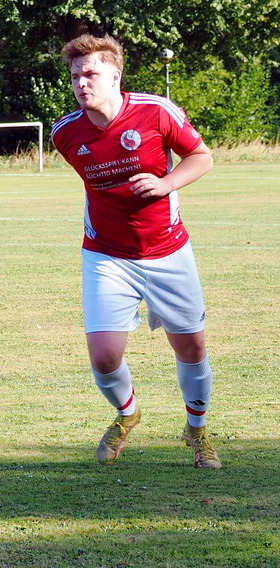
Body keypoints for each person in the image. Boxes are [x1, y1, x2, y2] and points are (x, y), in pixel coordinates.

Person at [51, 34, 221, 469]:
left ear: (115, 75)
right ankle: (127, 415)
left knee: (192, 349)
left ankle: (197, 430)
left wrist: (166, 184)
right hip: (106, 255)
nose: (81, 83)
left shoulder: (156, 111)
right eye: (75, 76)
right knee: (104, 356)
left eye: (90, 74)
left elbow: (201, 156)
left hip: (168, 251)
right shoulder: (65, 133)